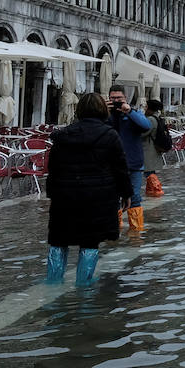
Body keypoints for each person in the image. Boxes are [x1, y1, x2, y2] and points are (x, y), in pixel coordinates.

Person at [45, 93, 131, 284]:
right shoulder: (110, 135)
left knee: (59, 240)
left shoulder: (63, 135)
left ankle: (52, 284)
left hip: (64, 197)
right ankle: (84, 286)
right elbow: (120, 168)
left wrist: (52, 193)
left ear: (79, 110)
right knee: (90, 242)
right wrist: (126, 194)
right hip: (97, 198)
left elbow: (53, 168)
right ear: (103, 110)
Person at [108, 86, 153, 231]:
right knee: (112, 200)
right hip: (111, 165)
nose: (115, 101)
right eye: (112, 98)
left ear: (125, 98)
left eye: (118, 99)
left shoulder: (134, 113)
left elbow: (146, 125)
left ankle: (136, 233)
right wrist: (102, 111)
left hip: (133, 163)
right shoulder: (105, 114)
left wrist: (129, 111)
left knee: (134, 199)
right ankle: (114, 231)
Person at [141, 97, 167, 197]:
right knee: (150, 172)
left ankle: (156, 191)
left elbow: (143, 133)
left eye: (146, 107)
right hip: (153, 149)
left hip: (149, 149)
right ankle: (151, 191)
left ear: (150, 108)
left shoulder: (151, 119)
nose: (145, 109)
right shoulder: (158, 118)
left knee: (149, 172)